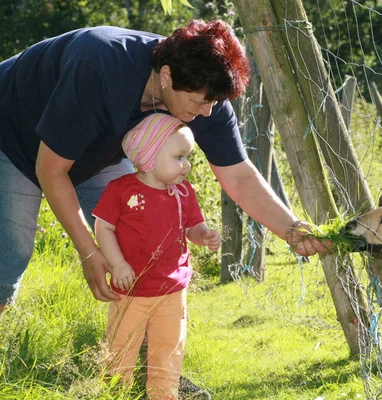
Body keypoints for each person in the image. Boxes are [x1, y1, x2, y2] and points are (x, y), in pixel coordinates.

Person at [0, 18, 328, 395]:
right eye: (200, 102)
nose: (207, 113)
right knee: (11, 253)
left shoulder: (206, 95)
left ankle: (152, 373)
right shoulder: (100, 67)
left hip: (97, 152)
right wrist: (89, 251)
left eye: (214, 104)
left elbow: (238, 176)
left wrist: (291, 229)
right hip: (13, 138)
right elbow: (50, 169)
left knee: (144, 235)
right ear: (167, 76)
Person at [94, 113, 219, 399]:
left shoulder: (184, 192)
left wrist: (204, 235)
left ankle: (164, 394)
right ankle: (115, 393)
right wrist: (117, 263)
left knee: (168, 349)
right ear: (149, 157)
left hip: (173, 291)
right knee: (120, 350)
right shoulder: (121, 190)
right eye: (179, 157)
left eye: (188, 157)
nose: (186, 165)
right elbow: (104, 227)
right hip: (130, 291)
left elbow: (192, 227)